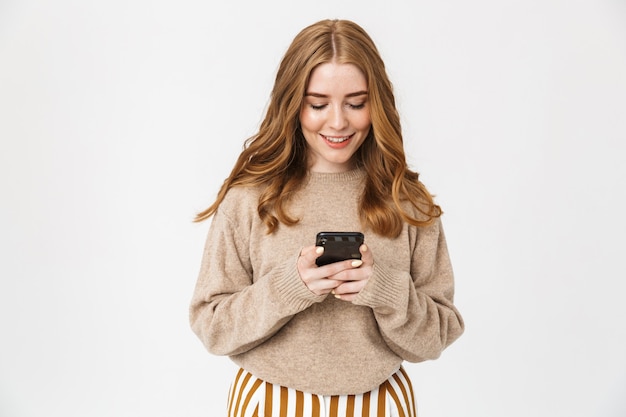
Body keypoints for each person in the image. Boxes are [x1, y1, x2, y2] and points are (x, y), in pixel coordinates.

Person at [189, 19, 464, 417]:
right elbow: (212, 327)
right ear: (292, 102)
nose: (338, 122)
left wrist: (384, 289)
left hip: (380, 403)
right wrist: (289, 286)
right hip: (269, 402)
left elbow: (438, 335)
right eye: (317, 104)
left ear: (378, 104)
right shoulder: (249, 199)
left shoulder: (408, 203)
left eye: (356, 103)